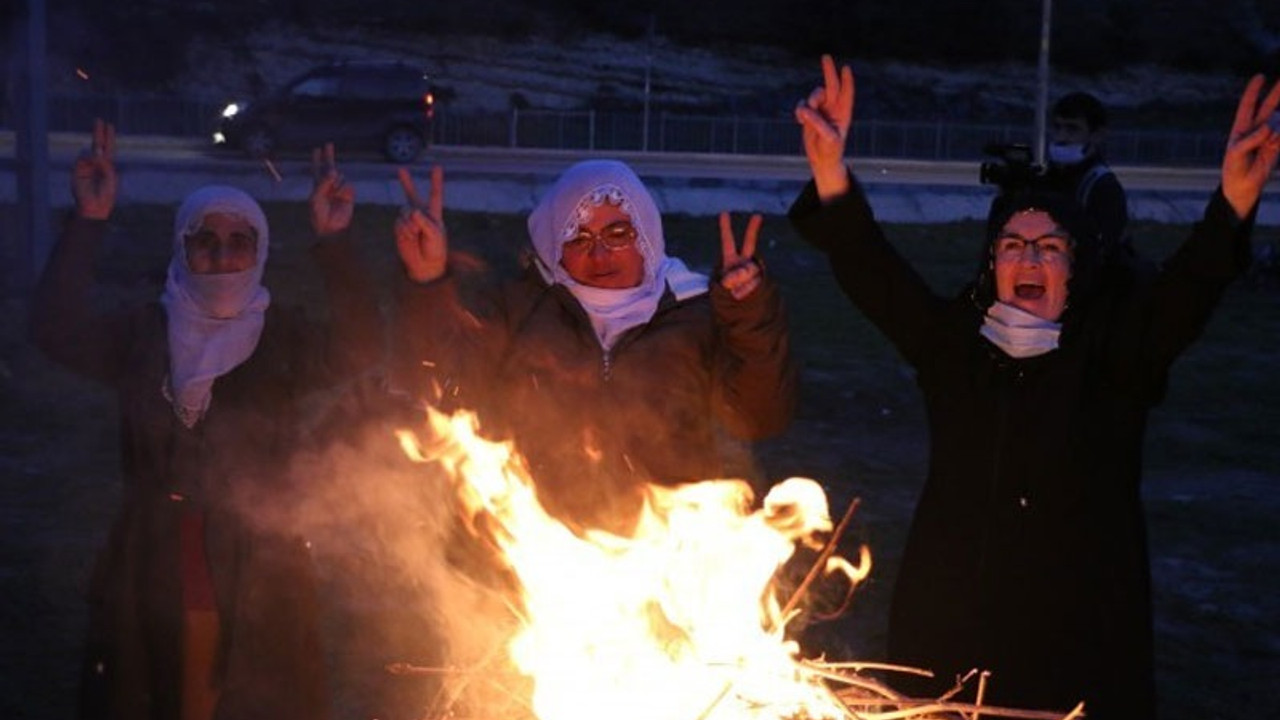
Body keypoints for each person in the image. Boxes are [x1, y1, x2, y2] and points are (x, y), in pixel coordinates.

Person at [789, 56, 1279, 717]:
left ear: (1075, 272)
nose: (1029, 257)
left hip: (1077, 644)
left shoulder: (1115, 360)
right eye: (1013, 245)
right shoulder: (952, 352)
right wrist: (829, 173)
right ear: (991, 267)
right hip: (950, 630)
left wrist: (1235, 204)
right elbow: (873, 272)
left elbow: (1187, 290)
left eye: (1051, 247)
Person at [29, 120, 381, 720]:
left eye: (239, 241)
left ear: (260, 249)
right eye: (205, 241)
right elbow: (55, 331)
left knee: (255, 695)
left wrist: (333, 241)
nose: (222, 257)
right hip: (153, 557)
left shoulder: (283, 337)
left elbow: (362, 345)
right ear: (181, 248)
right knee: (156, 692)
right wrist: (89, 221)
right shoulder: (144, 332)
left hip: (261, 562)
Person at [390, 159, 796, 532]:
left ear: (647, 235)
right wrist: (428, 281)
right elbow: (441, 391)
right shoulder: (520, 308)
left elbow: (759, 418)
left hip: (668, 558)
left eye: (618, 232)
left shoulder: (693, 313)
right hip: (534, 555)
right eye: (578, 237)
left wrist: (748, 317)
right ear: (553, 246)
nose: (600, 252)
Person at [1044, 90, 1131, 259]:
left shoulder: (1102, 186)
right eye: (1057, 128)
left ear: (1097, 135)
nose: (1061, 137)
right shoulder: (1047, 177)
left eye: (1072, 129)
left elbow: (1101, 250)